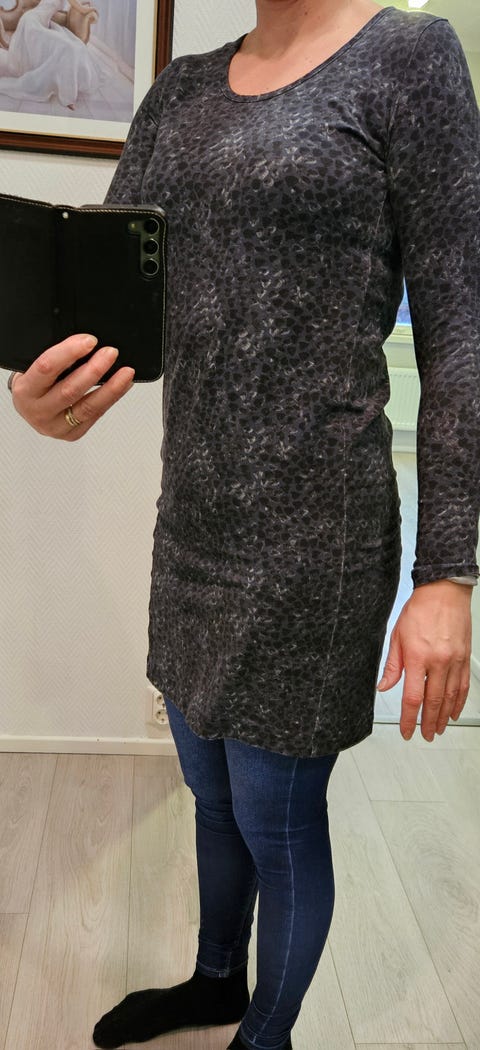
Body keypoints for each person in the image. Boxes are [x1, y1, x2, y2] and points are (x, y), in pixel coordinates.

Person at [7, 0, 479, 1047]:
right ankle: (217, 980)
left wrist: (448, 573)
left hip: (320, 540)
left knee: (276, 814)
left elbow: (460, 334)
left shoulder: (409, 55)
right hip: (194, 521)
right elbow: (104, 303)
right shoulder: (179, 91)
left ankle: (268, 1037)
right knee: (210, 794)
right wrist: (47, 389)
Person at [0, 0, 100, 109]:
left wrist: (92, 10)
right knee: (67, 48)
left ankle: (67, 95)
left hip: (39, 23)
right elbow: (81, 9)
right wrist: (91, 9)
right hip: (32, 23)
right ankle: (67, 97)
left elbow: (80, 8)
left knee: (71, 47)